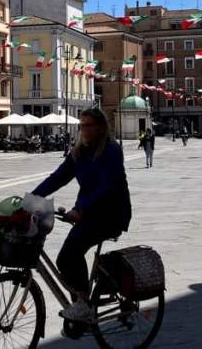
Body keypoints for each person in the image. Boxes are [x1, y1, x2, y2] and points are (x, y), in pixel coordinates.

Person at [31, 108, 131, 323]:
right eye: (81, 125)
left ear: (101, 127)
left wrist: (80, 209)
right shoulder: (80, 151)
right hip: (90, 213)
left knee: (69, 255)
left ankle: (83, 305)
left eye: (88, 125)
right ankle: (79, 308)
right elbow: (58, 177)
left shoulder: (112, 150)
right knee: (68, 257)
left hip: (111, 213)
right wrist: (30, 199)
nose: (83, 129)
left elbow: (106, 185)